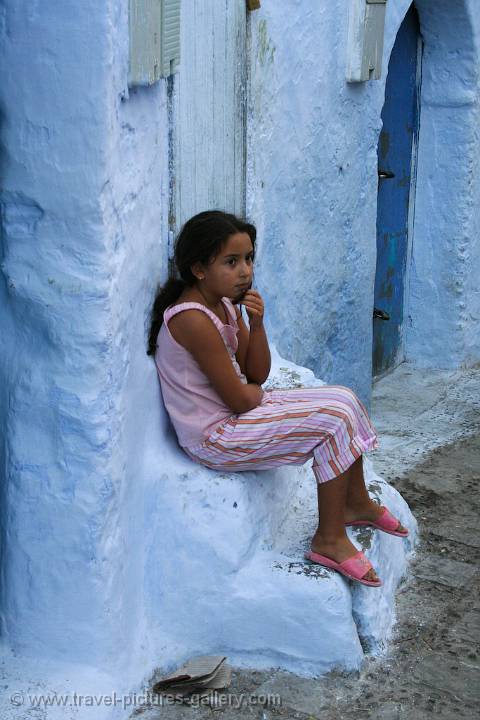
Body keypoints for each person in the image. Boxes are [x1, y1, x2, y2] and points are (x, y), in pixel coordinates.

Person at [148, 210, 408, 587]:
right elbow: (243, 396)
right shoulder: (191, 319)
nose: (245, 271)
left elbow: (256, 374)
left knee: (345, 399)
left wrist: (255, 323)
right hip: (215, 437)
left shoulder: (222, 305)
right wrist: (253, 394)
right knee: (331, 419)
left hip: (236, 416)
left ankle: (356, 502)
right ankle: (329, 538)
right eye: (232, 262)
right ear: (199, 269)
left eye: (249, 259)